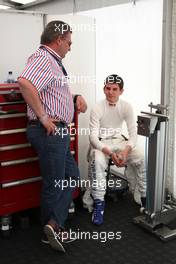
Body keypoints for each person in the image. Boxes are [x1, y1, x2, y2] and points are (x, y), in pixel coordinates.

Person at [18, 20, 87, 252]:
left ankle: (53, 223)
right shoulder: (43, 58)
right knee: (55, 184)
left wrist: (74, 96)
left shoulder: (52, 62)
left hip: (58, 131)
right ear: (58, 40)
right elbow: (25, 83)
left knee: (71, 176)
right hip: (49, 131)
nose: (70, 47)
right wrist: (44, 117)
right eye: (69, 42)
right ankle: (51, 233)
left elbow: (50, 92)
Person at [86, 74, 146, 225]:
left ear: (121, 91)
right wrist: (111, 154)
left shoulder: (126, 106)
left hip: (119, 141)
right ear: (103, 89)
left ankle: (145, 199)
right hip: (102, 143)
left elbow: (133, 134)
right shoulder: (97, 107)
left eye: (114, 89)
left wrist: (125, 152)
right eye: (108, 88)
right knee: (98, 161)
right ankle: (99, 204)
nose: (110, 92)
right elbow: (92, 138)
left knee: (142, 156)